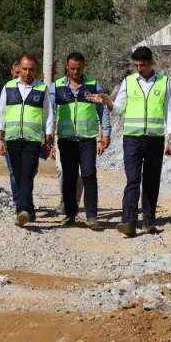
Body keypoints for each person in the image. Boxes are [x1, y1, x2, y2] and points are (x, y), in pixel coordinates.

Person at [112, 46, 171, 237]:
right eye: (136, 65)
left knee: (151, 181)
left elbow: (169, 111)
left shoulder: (163, 82)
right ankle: (129, 221)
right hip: (132, 138)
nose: (139, 68)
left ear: (151, 63)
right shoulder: (129, 82)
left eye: (143, 65)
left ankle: (148, 221)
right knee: (133, 179)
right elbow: (118, 109)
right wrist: (107, 101)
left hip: (155, 139)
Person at [0, 55, 54, 227]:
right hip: (12, 139)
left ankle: (21, 210)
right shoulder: (9, 87)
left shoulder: (42, 88)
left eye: (31, 69)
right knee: (19, 176)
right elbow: (1, 115)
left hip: (32, 140)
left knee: (27, 173)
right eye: (24, 69)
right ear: (18, 69)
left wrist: (48, 140)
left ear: (35, 70)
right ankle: (30, 208)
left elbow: (48, 117)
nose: (27, 72)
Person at [53, 52, 110, 230]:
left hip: (87, 139)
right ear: (67, 67)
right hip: (66, 139)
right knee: (69, 177)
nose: (75, 71)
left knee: (89, 175)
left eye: (78, 68)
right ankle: (70, 214)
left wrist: (105, 133)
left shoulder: (93, 84)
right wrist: (47, 137)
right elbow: (51, 114)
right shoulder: (57, 87)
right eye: (72, 68)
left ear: (84, 66)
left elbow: (103, 111)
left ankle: (91, 215)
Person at [0, 59, 21, 208]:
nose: (20, 75)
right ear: (11, 71)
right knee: (14, 170)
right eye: (17, 72)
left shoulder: (33, 87)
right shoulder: (4, 87)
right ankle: (19, 202)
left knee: (28, 171)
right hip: (8, 134)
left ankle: (24, 198)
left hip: (28, 136)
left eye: (24, 71)